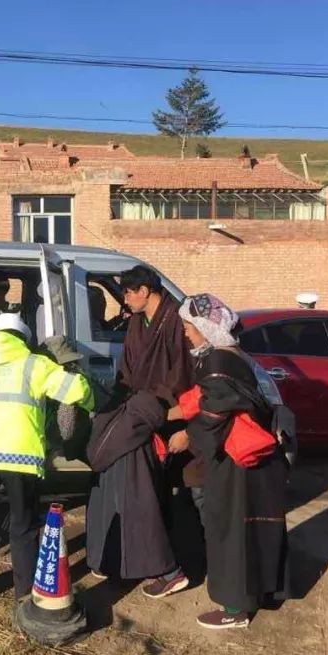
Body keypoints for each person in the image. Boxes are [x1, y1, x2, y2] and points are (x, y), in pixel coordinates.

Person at [0, 313, 93, 609]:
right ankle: (24, 595)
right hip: (21, 456)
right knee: (23, 526)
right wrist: (91, 397)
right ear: (23, 339)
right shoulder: (34, 365)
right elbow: (75, 390)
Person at [169, 293, 289, 630]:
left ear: (207, 327)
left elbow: (214, 409)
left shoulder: (219, 362)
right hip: (252, 460)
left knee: (231, 531)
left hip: (235, 461)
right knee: (251, 527)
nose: (186, 333)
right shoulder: (234, 356)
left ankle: (235, 609)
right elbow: (203, 400)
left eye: (189, 327)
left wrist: (187, 437)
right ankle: (259, 592)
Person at [85, 264, 196, 597]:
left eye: (129, 293)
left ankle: (163, 564)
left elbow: (182, 372)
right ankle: (127, 557)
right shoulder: (136, 322)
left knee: (149, 490)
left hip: (164, 413)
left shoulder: (176, 320)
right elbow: (128, 369)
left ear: (145, 291)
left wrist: (154, 409)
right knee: (131, 484)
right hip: (138, 412)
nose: (125, 300)